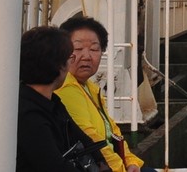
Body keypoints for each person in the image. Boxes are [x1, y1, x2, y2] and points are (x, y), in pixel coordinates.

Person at [57, 16, 147, 172]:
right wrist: (121, 168)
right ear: (63, 51)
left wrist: (131, 161)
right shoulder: (66, 88)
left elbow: (113, 132)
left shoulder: (89, 87)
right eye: (77, 49)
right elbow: (90, 137)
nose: (86, 56)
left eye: (94, 49)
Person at [18, 25, 108, 172]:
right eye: (70, 58)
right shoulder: (29, 115)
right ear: (59, 66)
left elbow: (85, 141)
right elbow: (54, 166)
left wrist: (102, 164)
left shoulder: (52, 102)